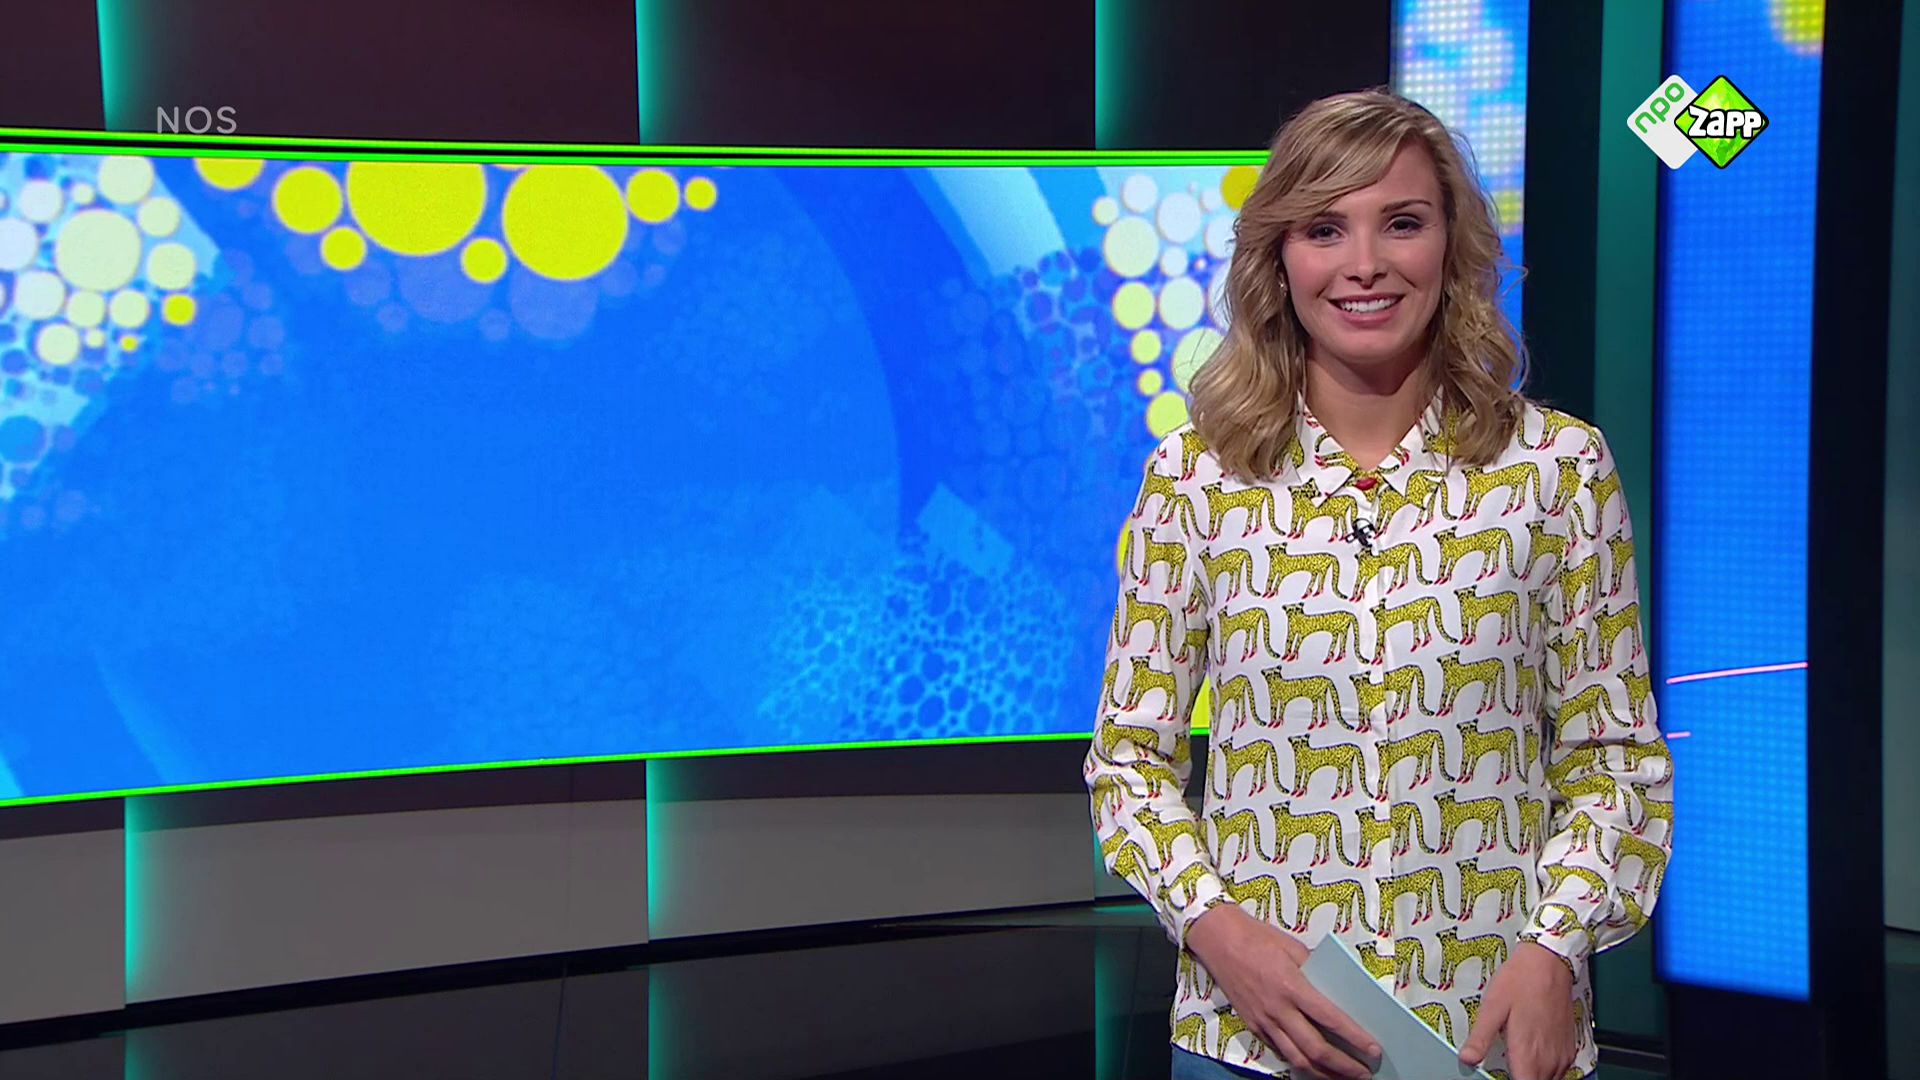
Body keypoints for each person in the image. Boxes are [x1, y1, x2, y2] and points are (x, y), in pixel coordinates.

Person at [1083, 87, 1674, 1080]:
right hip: (1256, 1043)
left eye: (1402, 222)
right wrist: (1219, 932)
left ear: (1451, 244)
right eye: (1325, 228)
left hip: (1491, 1034)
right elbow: (1129, 763)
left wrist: (1553, 948)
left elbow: (1615, 757)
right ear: (1279, 257)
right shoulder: (1196, 479)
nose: (1364, 263)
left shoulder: (1557, 470)